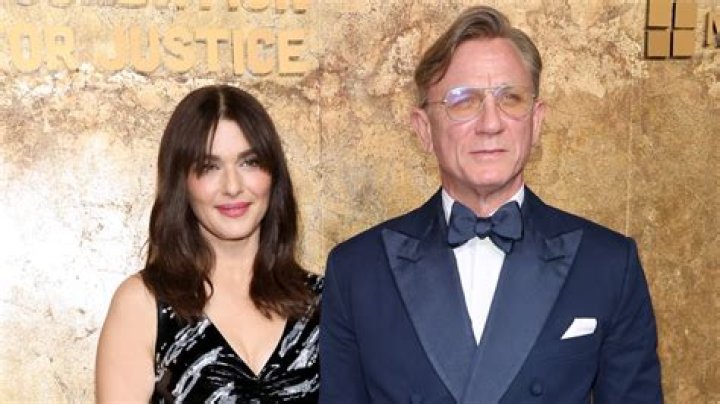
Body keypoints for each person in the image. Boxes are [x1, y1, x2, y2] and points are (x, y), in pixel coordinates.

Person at [320, 6, 662, 404]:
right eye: (463, 101)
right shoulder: (358, 270)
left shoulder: (608, 264)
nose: (490, 123)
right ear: (424, 129)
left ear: (536, 121)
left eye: (510, 98)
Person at [96, 85, 321, 403]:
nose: (232, 186)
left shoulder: (325, 302)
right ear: (181, 182)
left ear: (273, 174)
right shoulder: (142, 304)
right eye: (209, 167)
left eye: (249, 162)